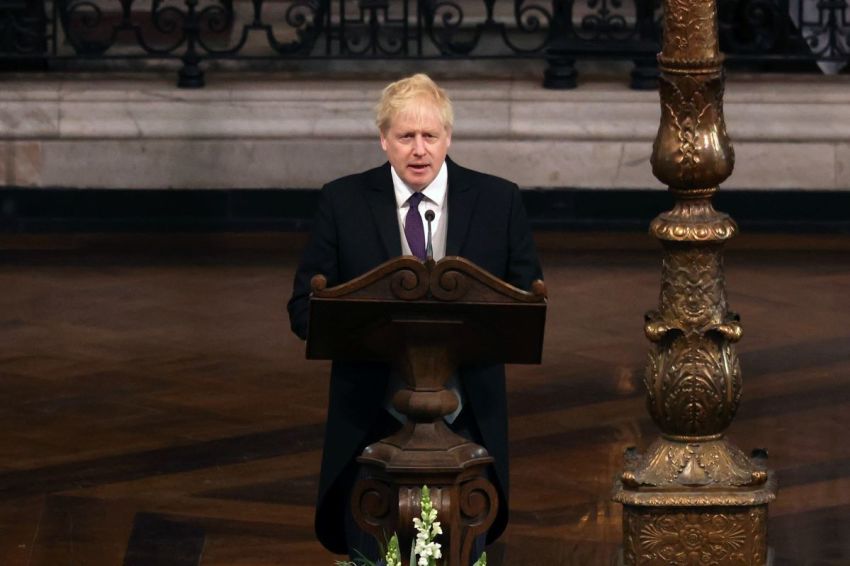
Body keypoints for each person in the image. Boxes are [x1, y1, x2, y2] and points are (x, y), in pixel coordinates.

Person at [287, 73, 542, 561]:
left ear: (448, 137)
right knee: (374, 552)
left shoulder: (498, 200)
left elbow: (526, 304)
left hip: (466, 424)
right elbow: (305, 309)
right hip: (373, 423)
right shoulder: (343, 202)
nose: (419, 150)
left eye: (430, 136)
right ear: (384, 139)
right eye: (406, 136)